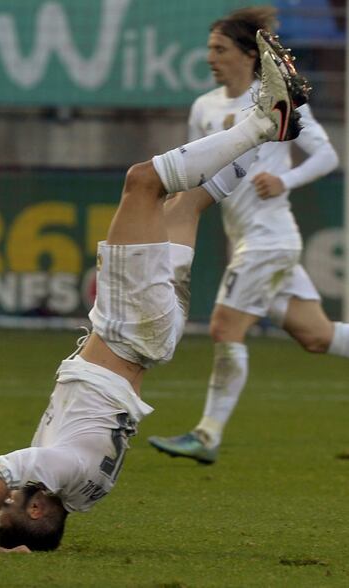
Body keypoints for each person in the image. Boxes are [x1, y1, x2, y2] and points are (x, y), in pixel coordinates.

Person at [0, 34, 303, 552]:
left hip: (156, 337)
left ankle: (272, 132)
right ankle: (264, 120)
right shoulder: (60, 470)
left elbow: (10, 493)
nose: (7, 495)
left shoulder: (85, 494)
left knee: (184, 207)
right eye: (13, 505)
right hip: (127, 327)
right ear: (34, 507)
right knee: (142, 183)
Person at [148, 7, 345, 466]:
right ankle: (207, 434)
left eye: (220, 49)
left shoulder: (274, 100)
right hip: (247, 239)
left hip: (270, 238)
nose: (210, 57)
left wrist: (285, 181)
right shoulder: (204, 108)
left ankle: (207, 434)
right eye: (209, 49)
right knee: (317, 335)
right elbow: (194, 174)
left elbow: (327, 155)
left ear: (247, 55)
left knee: (223, 327)